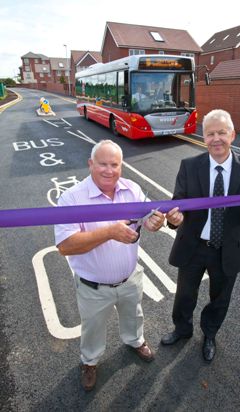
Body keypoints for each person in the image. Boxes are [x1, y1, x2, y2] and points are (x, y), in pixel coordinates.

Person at [161, 109, 240, 362]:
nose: (216, 139)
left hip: (226, 248)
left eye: (222, 133)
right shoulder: (189, 166)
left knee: (220, 298)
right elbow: (178, 203)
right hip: (193, 246)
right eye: (210, 134)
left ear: (233, 135)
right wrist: (174, 218)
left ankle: (210, 334)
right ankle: (182, 330)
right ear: (203, 138)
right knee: (184, 295)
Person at [55, 140, 165, 391]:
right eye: (102, 164)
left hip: (130, 278)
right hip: (93, 287)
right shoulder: (71, 198)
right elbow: (66, 247)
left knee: (133, 315)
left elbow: (146, 221)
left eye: (114, 164)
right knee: (92, 327)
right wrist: (109, 232)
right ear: (90, 164)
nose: (109, 170)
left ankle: (135, 341)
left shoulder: (133, 189)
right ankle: (90, 361)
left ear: (121, 166)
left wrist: (154, 223)